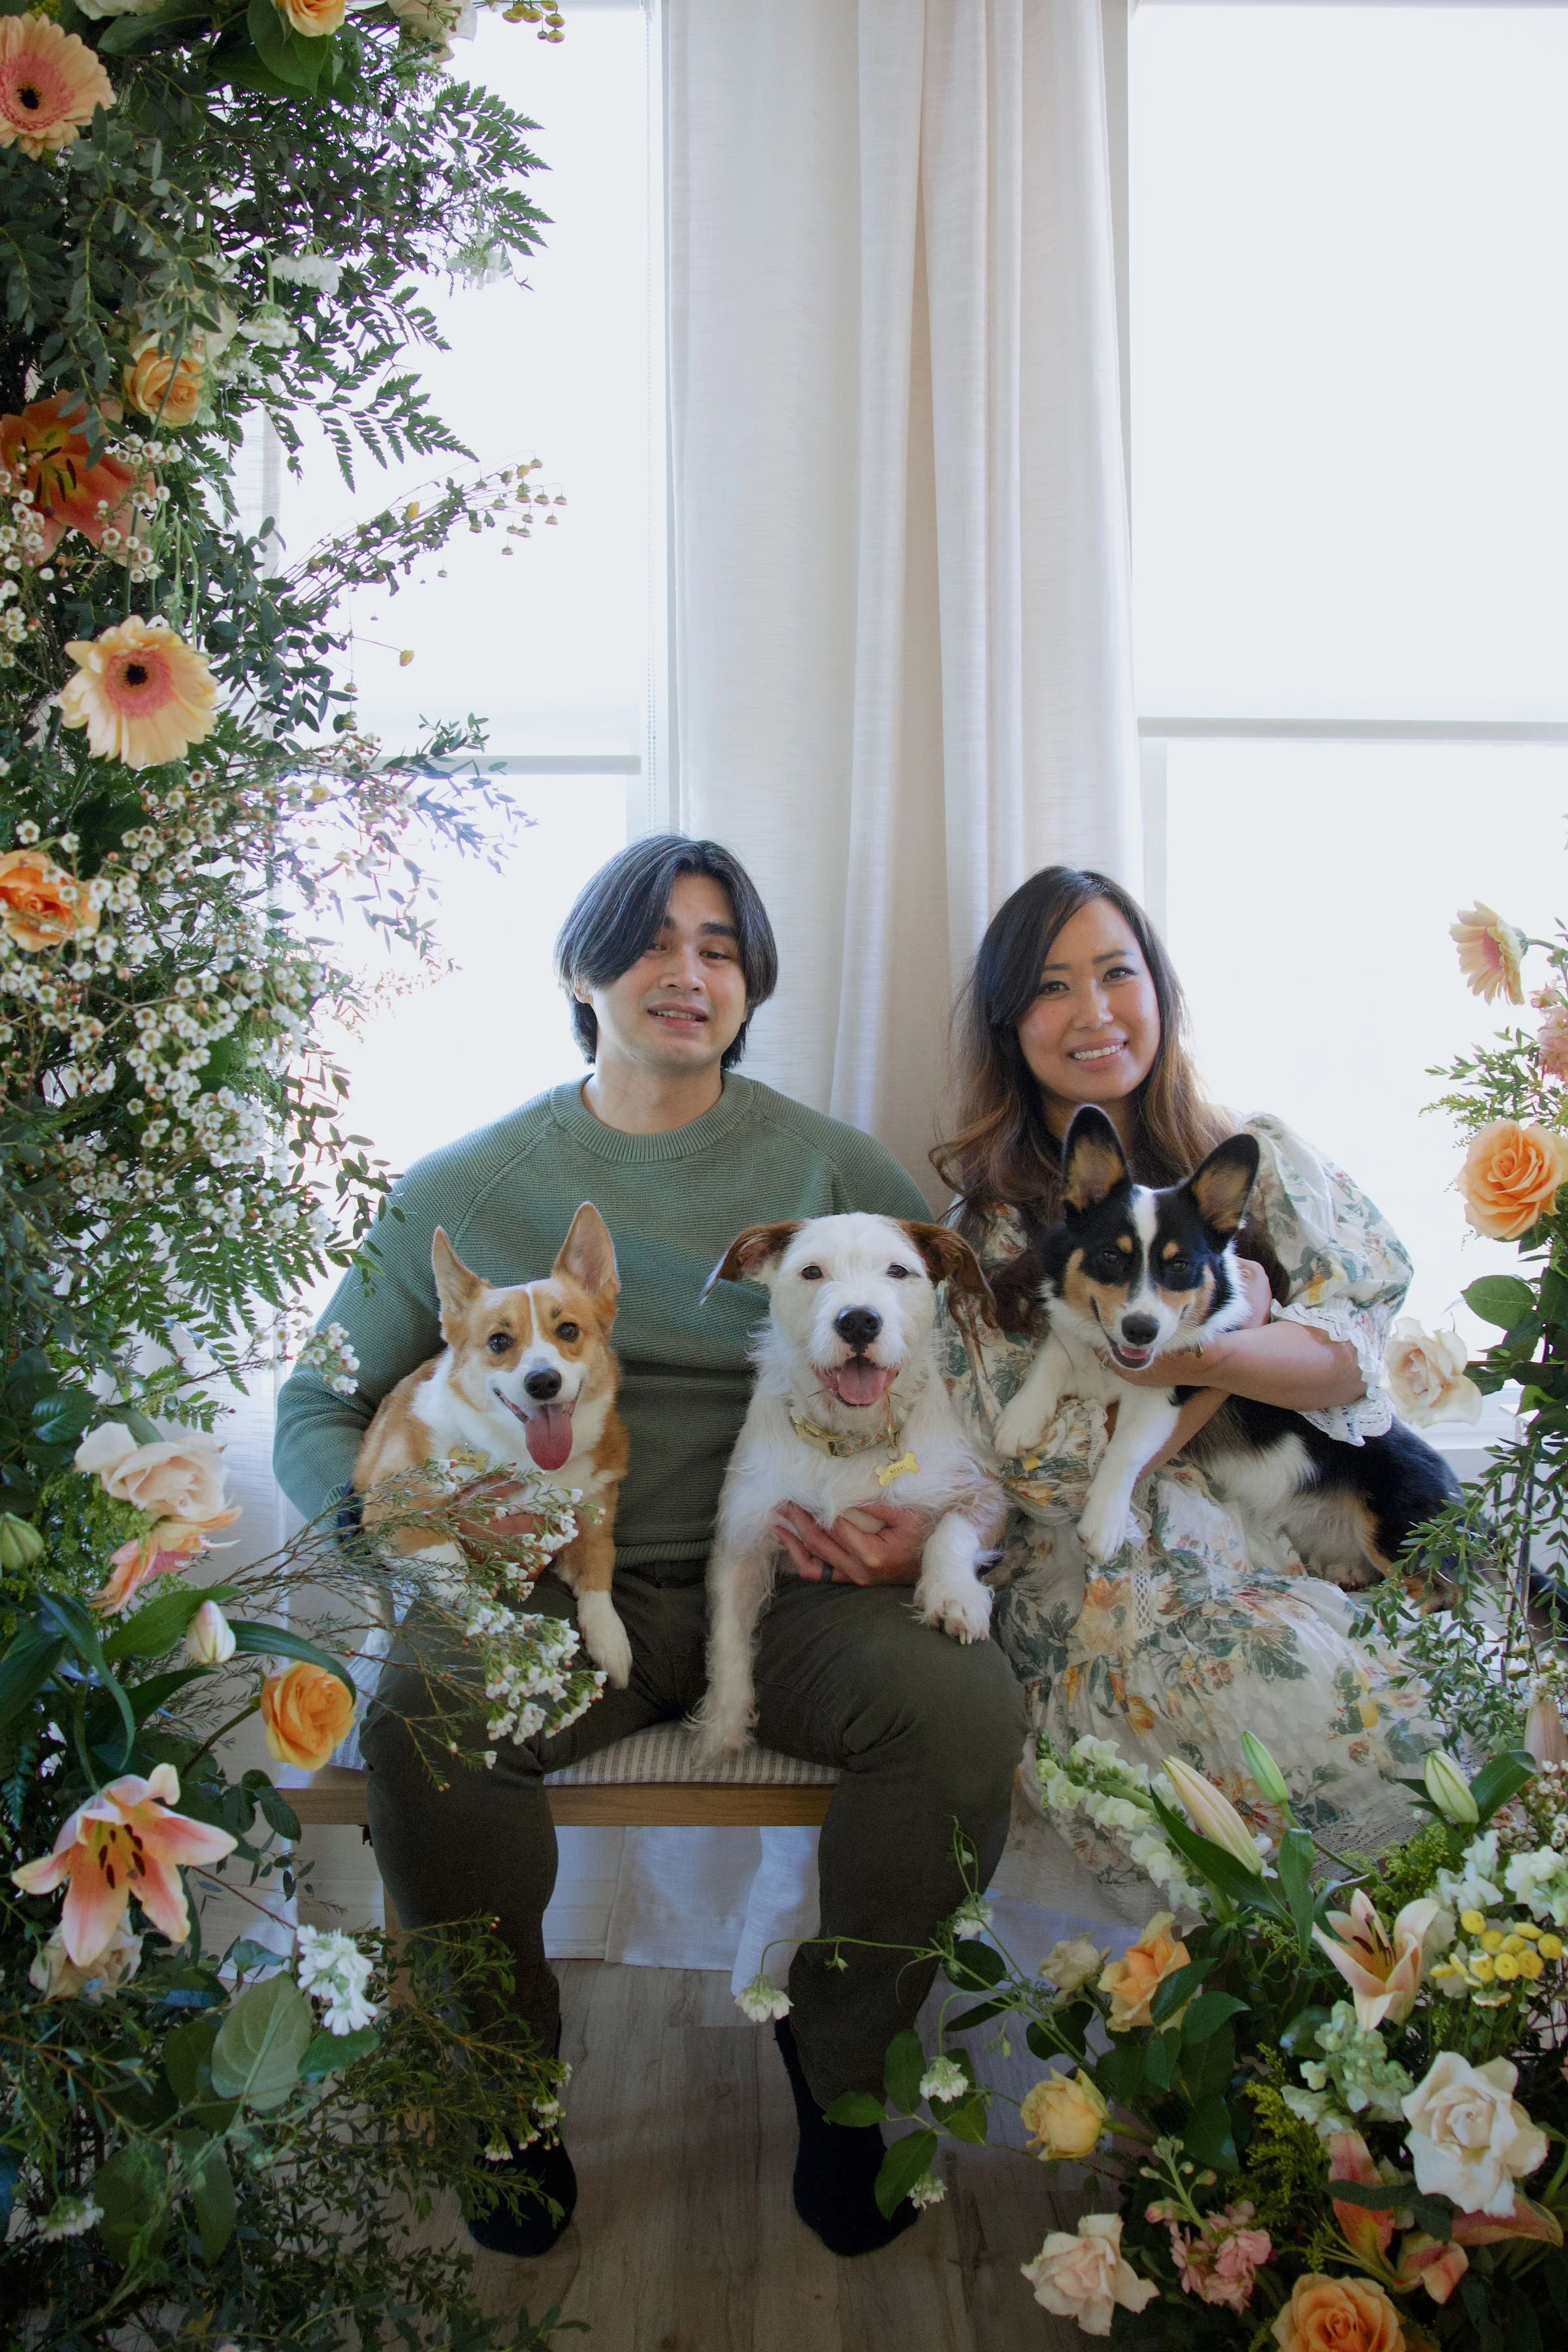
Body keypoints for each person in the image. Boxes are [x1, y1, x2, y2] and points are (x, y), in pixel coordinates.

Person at [272, 833, 1024, 2262]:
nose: (688, 972)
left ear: (754, 984)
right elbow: (317, 1395)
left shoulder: (829, 1164)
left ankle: (846, 2067)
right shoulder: (459, 1186)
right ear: (581, 966)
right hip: (549, 1594)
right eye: (654, 941)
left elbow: (966, 1395)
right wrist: (394, 1524)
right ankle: (504, 2094)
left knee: (963, 1710)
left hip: (796, 1591)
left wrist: (922, 1528)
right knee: (427, 1711)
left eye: (722, 947)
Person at [927, 864, 1435, 1904]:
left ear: (1159, 989)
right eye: (1052, 986)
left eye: (1117, 973)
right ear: (1007, 1020)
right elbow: (1041, 1468)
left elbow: (1350, 1357)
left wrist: (1209, 1350)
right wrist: (1212, 1338)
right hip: (1112, 1580)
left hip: (1307, 1523)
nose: (1095, 1012)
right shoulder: (988, 1231)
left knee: (1468, 1693)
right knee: (1316, 1697)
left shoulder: (1255, 1159)